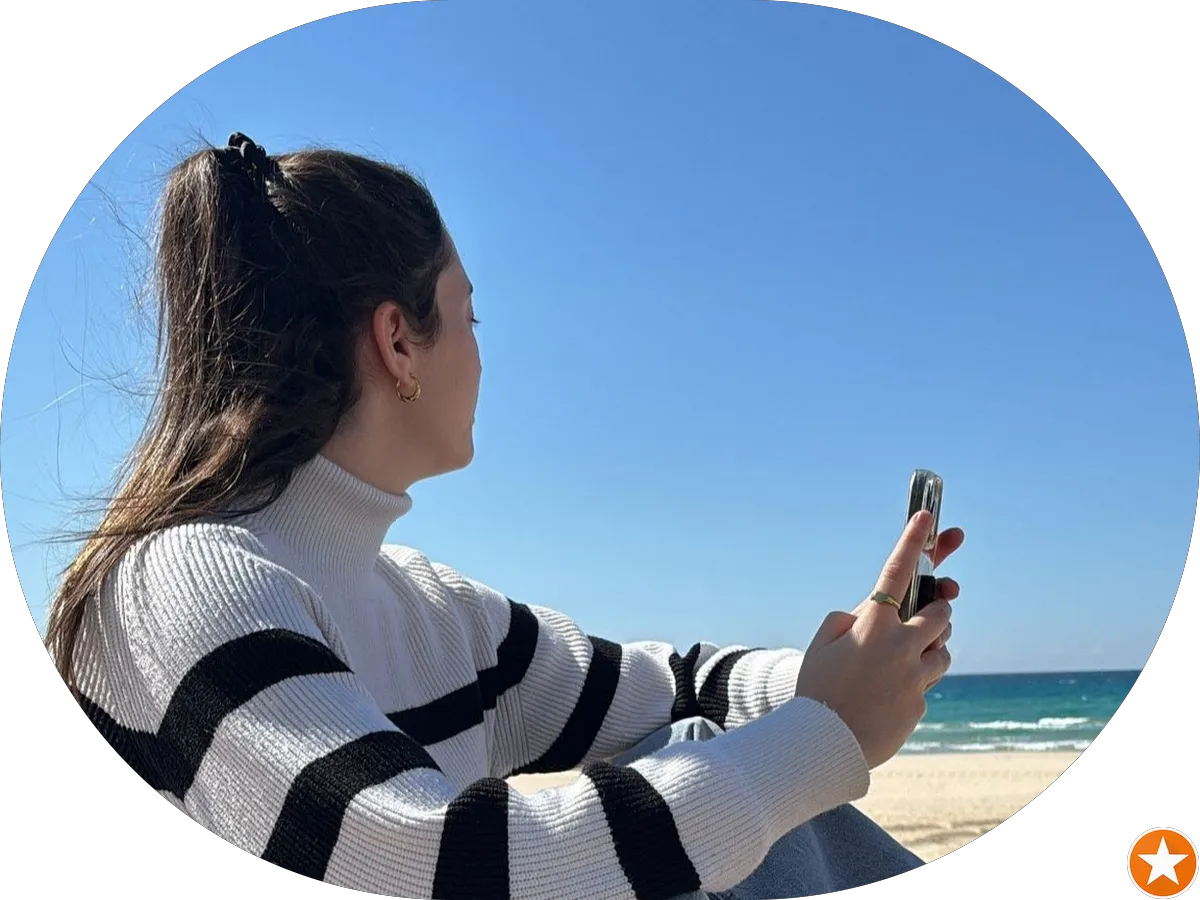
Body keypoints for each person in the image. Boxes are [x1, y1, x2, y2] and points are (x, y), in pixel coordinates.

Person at [44, 133, 964, 900]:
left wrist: (843, 673)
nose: (482, 357)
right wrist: (821, 740)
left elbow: (667, 688)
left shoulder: (431, 614)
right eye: (470, 317)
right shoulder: (183, 583)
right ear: (398, 341)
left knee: (696, 745)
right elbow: (428, 862)